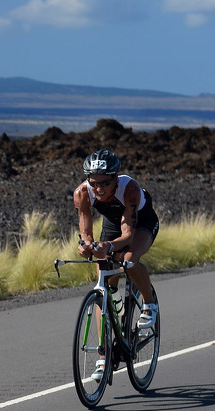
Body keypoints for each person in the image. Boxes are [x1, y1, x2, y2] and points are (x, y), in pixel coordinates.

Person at [73, 149, 160, 381]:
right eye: (94, 182)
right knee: (104, 282)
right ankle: (104, 355)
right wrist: (87, 246)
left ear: (115, 178)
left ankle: (149, 304)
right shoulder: (82, 193)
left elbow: (128, 235)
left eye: (105, 182)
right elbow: (86, 232)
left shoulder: (129, 190)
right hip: (113, 224)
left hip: (140, 223)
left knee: (129, 259)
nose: (99, 188)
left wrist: (109, 247)